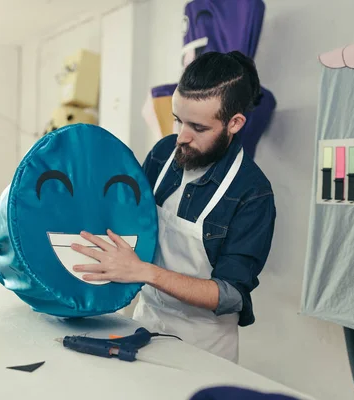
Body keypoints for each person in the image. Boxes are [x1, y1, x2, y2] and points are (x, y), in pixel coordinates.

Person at [71, 51, 276, 363]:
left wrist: (144, 272)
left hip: (205, 344)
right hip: (144, 321)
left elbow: (230, 295)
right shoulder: (163, 153)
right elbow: (128, 221)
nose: (182, 136)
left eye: (198, 127)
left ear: (234, 123)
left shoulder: (253, 193)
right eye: (178, 120)